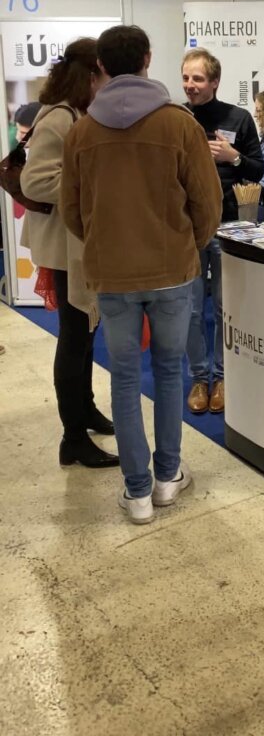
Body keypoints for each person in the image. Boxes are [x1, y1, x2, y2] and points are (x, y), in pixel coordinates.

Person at [60, 25, 222, 524]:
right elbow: (208, 203)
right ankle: (168, 477)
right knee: (170, 372)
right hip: (172, 270)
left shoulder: (82, 131)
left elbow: (72, 211)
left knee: (125, 380)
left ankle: (136, 492)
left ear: (101, 66)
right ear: (148, 58)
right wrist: (187, 245)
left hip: (112, 275)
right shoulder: (179, 124)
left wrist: (105, 244)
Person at [20, 39, 119, 470]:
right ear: (92, 74)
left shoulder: (76, 113)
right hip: (64, 247)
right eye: (105, 75)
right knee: (75, 336)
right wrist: (89, 186)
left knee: (86, 332)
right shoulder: (59, 117)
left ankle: (86, 410)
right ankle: (72, 438)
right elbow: (36, 181)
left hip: (76, 243)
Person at [181, 49, 264, 415]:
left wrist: (233, 157)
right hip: (187, 226)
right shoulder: (177, 118)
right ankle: (200, 378)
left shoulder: (238, 118)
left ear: (214, 82)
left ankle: (223, 376)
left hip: (230, 225)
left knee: (225, 306)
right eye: (186, 78)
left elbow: (258, 170)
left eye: (198, 78)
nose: (190, 85)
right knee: (191, 308)